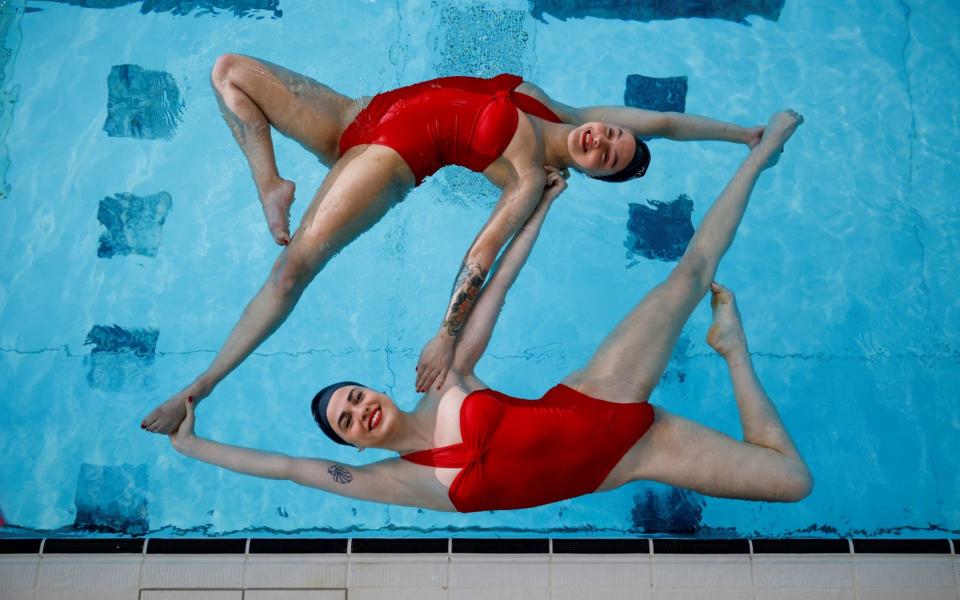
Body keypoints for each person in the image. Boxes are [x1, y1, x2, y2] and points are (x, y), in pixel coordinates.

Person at [168, 110, 812, 512]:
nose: (362, 409)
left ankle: (760, 153)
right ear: (351, 444)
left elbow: (497, 288)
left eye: (355, 396)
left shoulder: (443, 380)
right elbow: (285, 469)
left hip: (599, 394)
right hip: (636, 455)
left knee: (691, 275)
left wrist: (540, 210)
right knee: (793, 483)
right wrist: (192, 446)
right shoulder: (395, 482)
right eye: (349, 421)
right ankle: (732, 351)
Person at [142, 55, 765, 435]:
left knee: (291, 270)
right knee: (230, 73)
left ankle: (202, 385)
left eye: (607, 159)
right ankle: (271, 184)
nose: (603, 141)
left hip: (386, 160)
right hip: (357, 114)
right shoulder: (559, 108)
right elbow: (663, 124)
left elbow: (479, 259)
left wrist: (446, 333)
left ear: (590, 174)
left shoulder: (523, 180)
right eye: (613, 137)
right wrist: (742, 135)